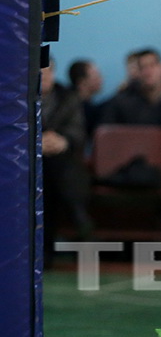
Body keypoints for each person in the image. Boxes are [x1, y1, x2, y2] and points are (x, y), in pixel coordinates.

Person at [40, 62, 91, 264]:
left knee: (58, 170)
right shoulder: (17, 98)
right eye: (39, 72)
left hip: (62, 160)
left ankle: (50, 248)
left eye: (48, 71)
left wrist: (63, 140)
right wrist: (35, 143)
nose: (44, 76)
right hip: (28, 161)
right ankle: (80, 220)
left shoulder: (69, 97)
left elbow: (78, 131)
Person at [100, 48, 161, 136]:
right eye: (142, 67)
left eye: (152, 65)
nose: (148, 72)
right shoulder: (123, 101)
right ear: (137, 72)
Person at [67, 58, 105, 140]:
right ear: (82, 82)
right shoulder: (69, 107)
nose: (101, 80)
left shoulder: (89, 105)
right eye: (96, 76)